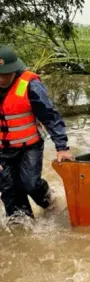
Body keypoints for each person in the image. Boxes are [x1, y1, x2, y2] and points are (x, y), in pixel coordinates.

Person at [0, 46, 74, 221]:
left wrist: (62, 147)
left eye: (5, 74)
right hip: (2, 150)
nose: (1, 79)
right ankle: (23, 234)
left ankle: (50, 199)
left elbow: (49, 116)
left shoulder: (31, 85)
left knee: (30, 185)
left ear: (15, 69)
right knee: (9, 191)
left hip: (29, 146)